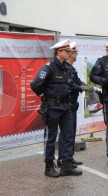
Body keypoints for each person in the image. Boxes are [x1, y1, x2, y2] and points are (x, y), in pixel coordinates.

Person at [30, 39, 82, 177]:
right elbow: (35, 84)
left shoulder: (66, 67)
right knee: (51, 137)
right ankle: (49, 166)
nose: (70, 53)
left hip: (65, 107)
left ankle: (66, 166)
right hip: (52, 107)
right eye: (68, 51)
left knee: (67, 135)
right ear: (60, 52)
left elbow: (70, 84)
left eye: (71, 51)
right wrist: (44, 95)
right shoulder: (49, 67)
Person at [57, 41, 91, 168]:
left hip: (72, 104)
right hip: (67, 104)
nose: (76, 54)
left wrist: (84, 85)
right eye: (75, 52)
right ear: (70, 54)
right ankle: (62, 159)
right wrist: (82, 88)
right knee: (66, 134)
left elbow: (77, 81)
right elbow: (71, 85)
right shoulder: (65, 68)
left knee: (70, 133)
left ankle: (69, 157)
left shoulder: (71, 68)